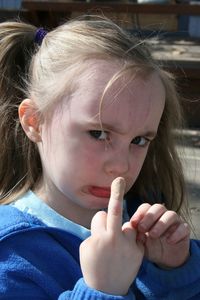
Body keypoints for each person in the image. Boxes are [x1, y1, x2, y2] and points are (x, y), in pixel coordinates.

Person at [0, 15, 200, 300]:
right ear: (34, 122)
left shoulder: (144, 216)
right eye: (98, 134)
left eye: (139, 140)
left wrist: (176, 272)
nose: (122, 166)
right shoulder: (10, 255)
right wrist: (101, 291)